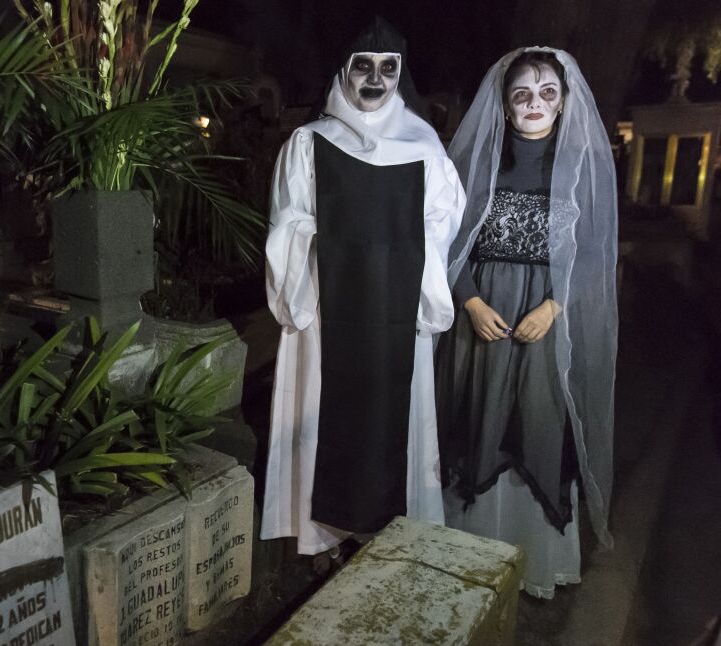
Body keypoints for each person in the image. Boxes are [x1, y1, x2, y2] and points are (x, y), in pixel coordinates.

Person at [260, 17, 465, 558]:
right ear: (343, 72)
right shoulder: (308, 145)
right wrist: (327, 242)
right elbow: (286, 223)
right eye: (363, 66)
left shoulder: (426, 151)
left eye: (388, 68)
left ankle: (390, 533)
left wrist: (402, 248)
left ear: (402, 76)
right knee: (324, 410)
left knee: (394, 418)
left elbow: (441, 225)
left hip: (395, 313)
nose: (375, 78)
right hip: (328, 310)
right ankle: (322, 536)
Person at [435, 48, 618, 598]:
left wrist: (553, 306)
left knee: (537, 423)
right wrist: (468, 301)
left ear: (562, 103)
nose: (534, 104)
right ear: (506, 104)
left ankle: (531, 557)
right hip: (482, 317)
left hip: (544, 320)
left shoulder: (582, 161)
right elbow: (445, 241)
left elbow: (595, 252)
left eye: (546, 93)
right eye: (522, 94)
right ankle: (466, 549)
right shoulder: (475, 162)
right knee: (476, 420)